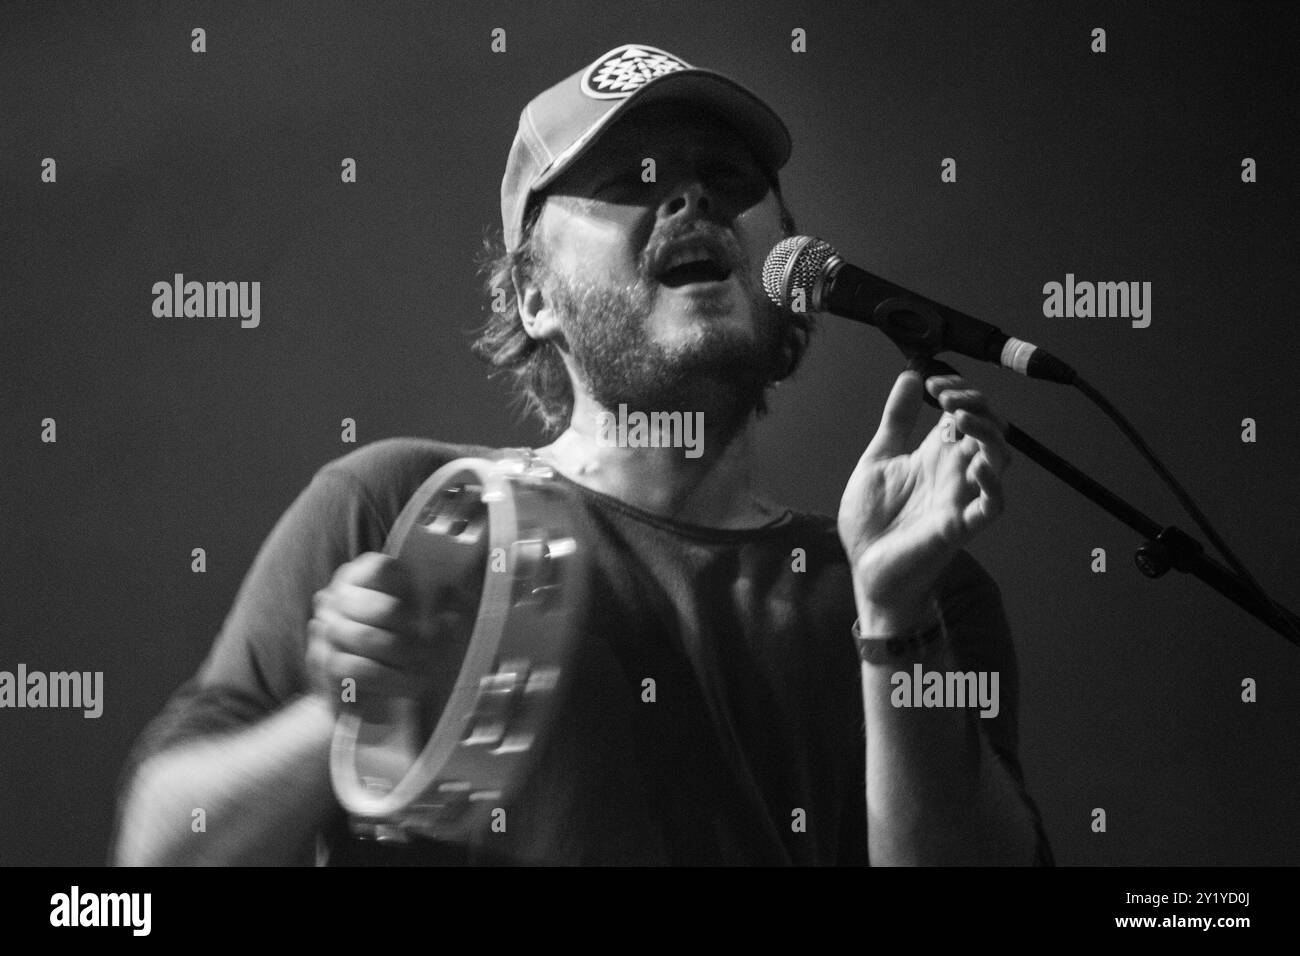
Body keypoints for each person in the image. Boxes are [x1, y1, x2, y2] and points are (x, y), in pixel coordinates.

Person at [111, 43, 1053, 866]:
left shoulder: (919, 587)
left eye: (728, 181)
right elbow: (152, 857)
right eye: (630, 179)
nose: (691, 197)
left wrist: (892, 620)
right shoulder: (407, 508)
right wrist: (344, 718)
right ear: (535, 298)